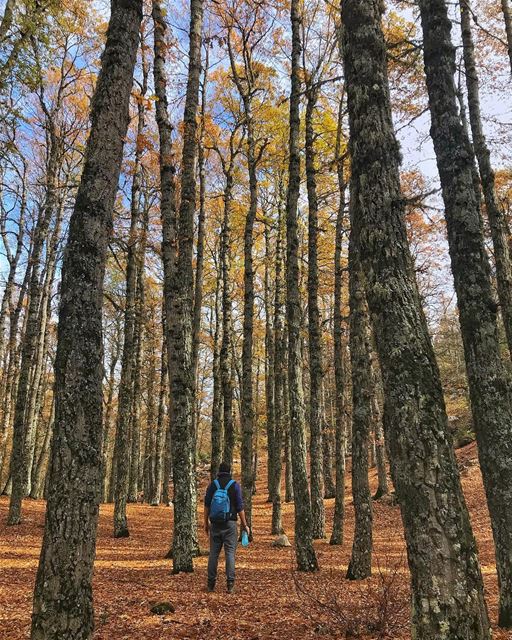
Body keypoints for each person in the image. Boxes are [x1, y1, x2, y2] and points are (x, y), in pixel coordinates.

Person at [204, 462, 250, 593]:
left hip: (215, 524)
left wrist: (205, 523)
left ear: (219, 471)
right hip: (230, 524)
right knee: (230, 553)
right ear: (230, 471)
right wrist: (245, 525)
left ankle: (210, 584)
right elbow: (240, 507)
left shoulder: (213, 485)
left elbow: (207, 505)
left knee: (213, 554)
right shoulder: (234, 486)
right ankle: (230, 584)